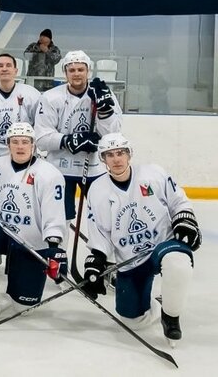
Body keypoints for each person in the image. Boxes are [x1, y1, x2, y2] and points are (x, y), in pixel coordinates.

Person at [83, 133, 200, 344]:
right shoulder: (98, 190)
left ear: (129, 154)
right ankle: (158, 305)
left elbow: (178, 201)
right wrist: (97, 259)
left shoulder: (153, 174)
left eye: (120, 153)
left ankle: (171, 317)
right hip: (130, 258)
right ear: (103, 159)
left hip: (163, 244)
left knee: (178, 263)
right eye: (110, 155)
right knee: (133, 321)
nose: (116, 159)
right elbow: (100, 231)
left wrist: (185, 220)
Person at [0, 122, 67, 323]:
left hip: (31, 242)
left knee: (24, 307)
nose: (20, 146)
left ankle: (20, 289)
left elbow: (54, 215)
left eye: (25, 142)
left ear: (33, 145)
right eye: (15, 142)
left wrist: (54, 248)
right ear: (8, 144)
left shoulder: (50, 175)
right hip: (1, 230)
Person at [35, 50, 122, 220]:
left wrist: (104, 111)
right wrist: (68, 140)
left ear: (88, 71)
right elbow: (41, 139)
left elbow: (113, 135)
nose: (76, 74)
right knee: (60, 218)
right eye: (72, 70)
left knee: (104, 217)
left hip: (95, 168)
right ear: (65, 72)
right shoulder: (51, 97)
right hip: (60, 169)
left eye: (81, 69)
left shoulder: (103, 93)